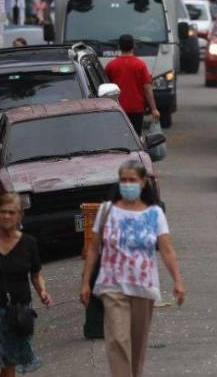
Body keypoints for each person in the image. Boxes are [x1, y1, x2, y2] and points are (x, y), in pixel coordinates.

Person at [80, 160, 185, 377]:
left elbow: (166, 250)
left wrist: (177, 281)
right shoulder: (107, 211)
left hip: (143, 287)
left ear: (143, 182)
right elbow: (93, 249)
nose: (127, 184)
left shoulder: (154, 214)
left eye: (132, 180)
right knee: (118, 339)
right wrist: (85, 282)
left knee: (137, 345)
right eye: (123, 180)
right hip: (112, 286)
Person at [0, 193, 51, 376]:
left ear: (19, 215)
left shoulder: (29, 243)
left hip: (18, 312)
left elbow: (36, 274)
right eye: (3, 212)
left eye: (11, 212)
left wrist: (43, 292)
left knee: (10, 361)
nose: (7, 216)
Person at [104, 34, 160, 135]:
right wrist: (154, 109)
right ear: (134, 46)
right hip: (136, 109)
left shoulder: (111, 65)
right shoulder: (140, 65)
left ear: (118, 47)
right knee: (135, 137)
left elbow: (105, 88)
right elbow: (147, 88)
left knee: (118, 136)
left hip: (117, 109)